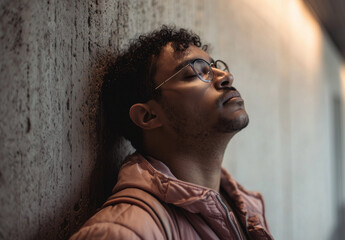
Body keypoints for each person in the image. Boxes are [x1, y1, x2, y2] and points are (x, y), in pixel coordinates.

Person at [70, 25, 273, 240]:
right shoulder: (123, 231)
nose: (226, 76)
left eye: (215, 67)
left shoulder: (247, 211)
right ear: (148, 116)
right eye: (195, 72)